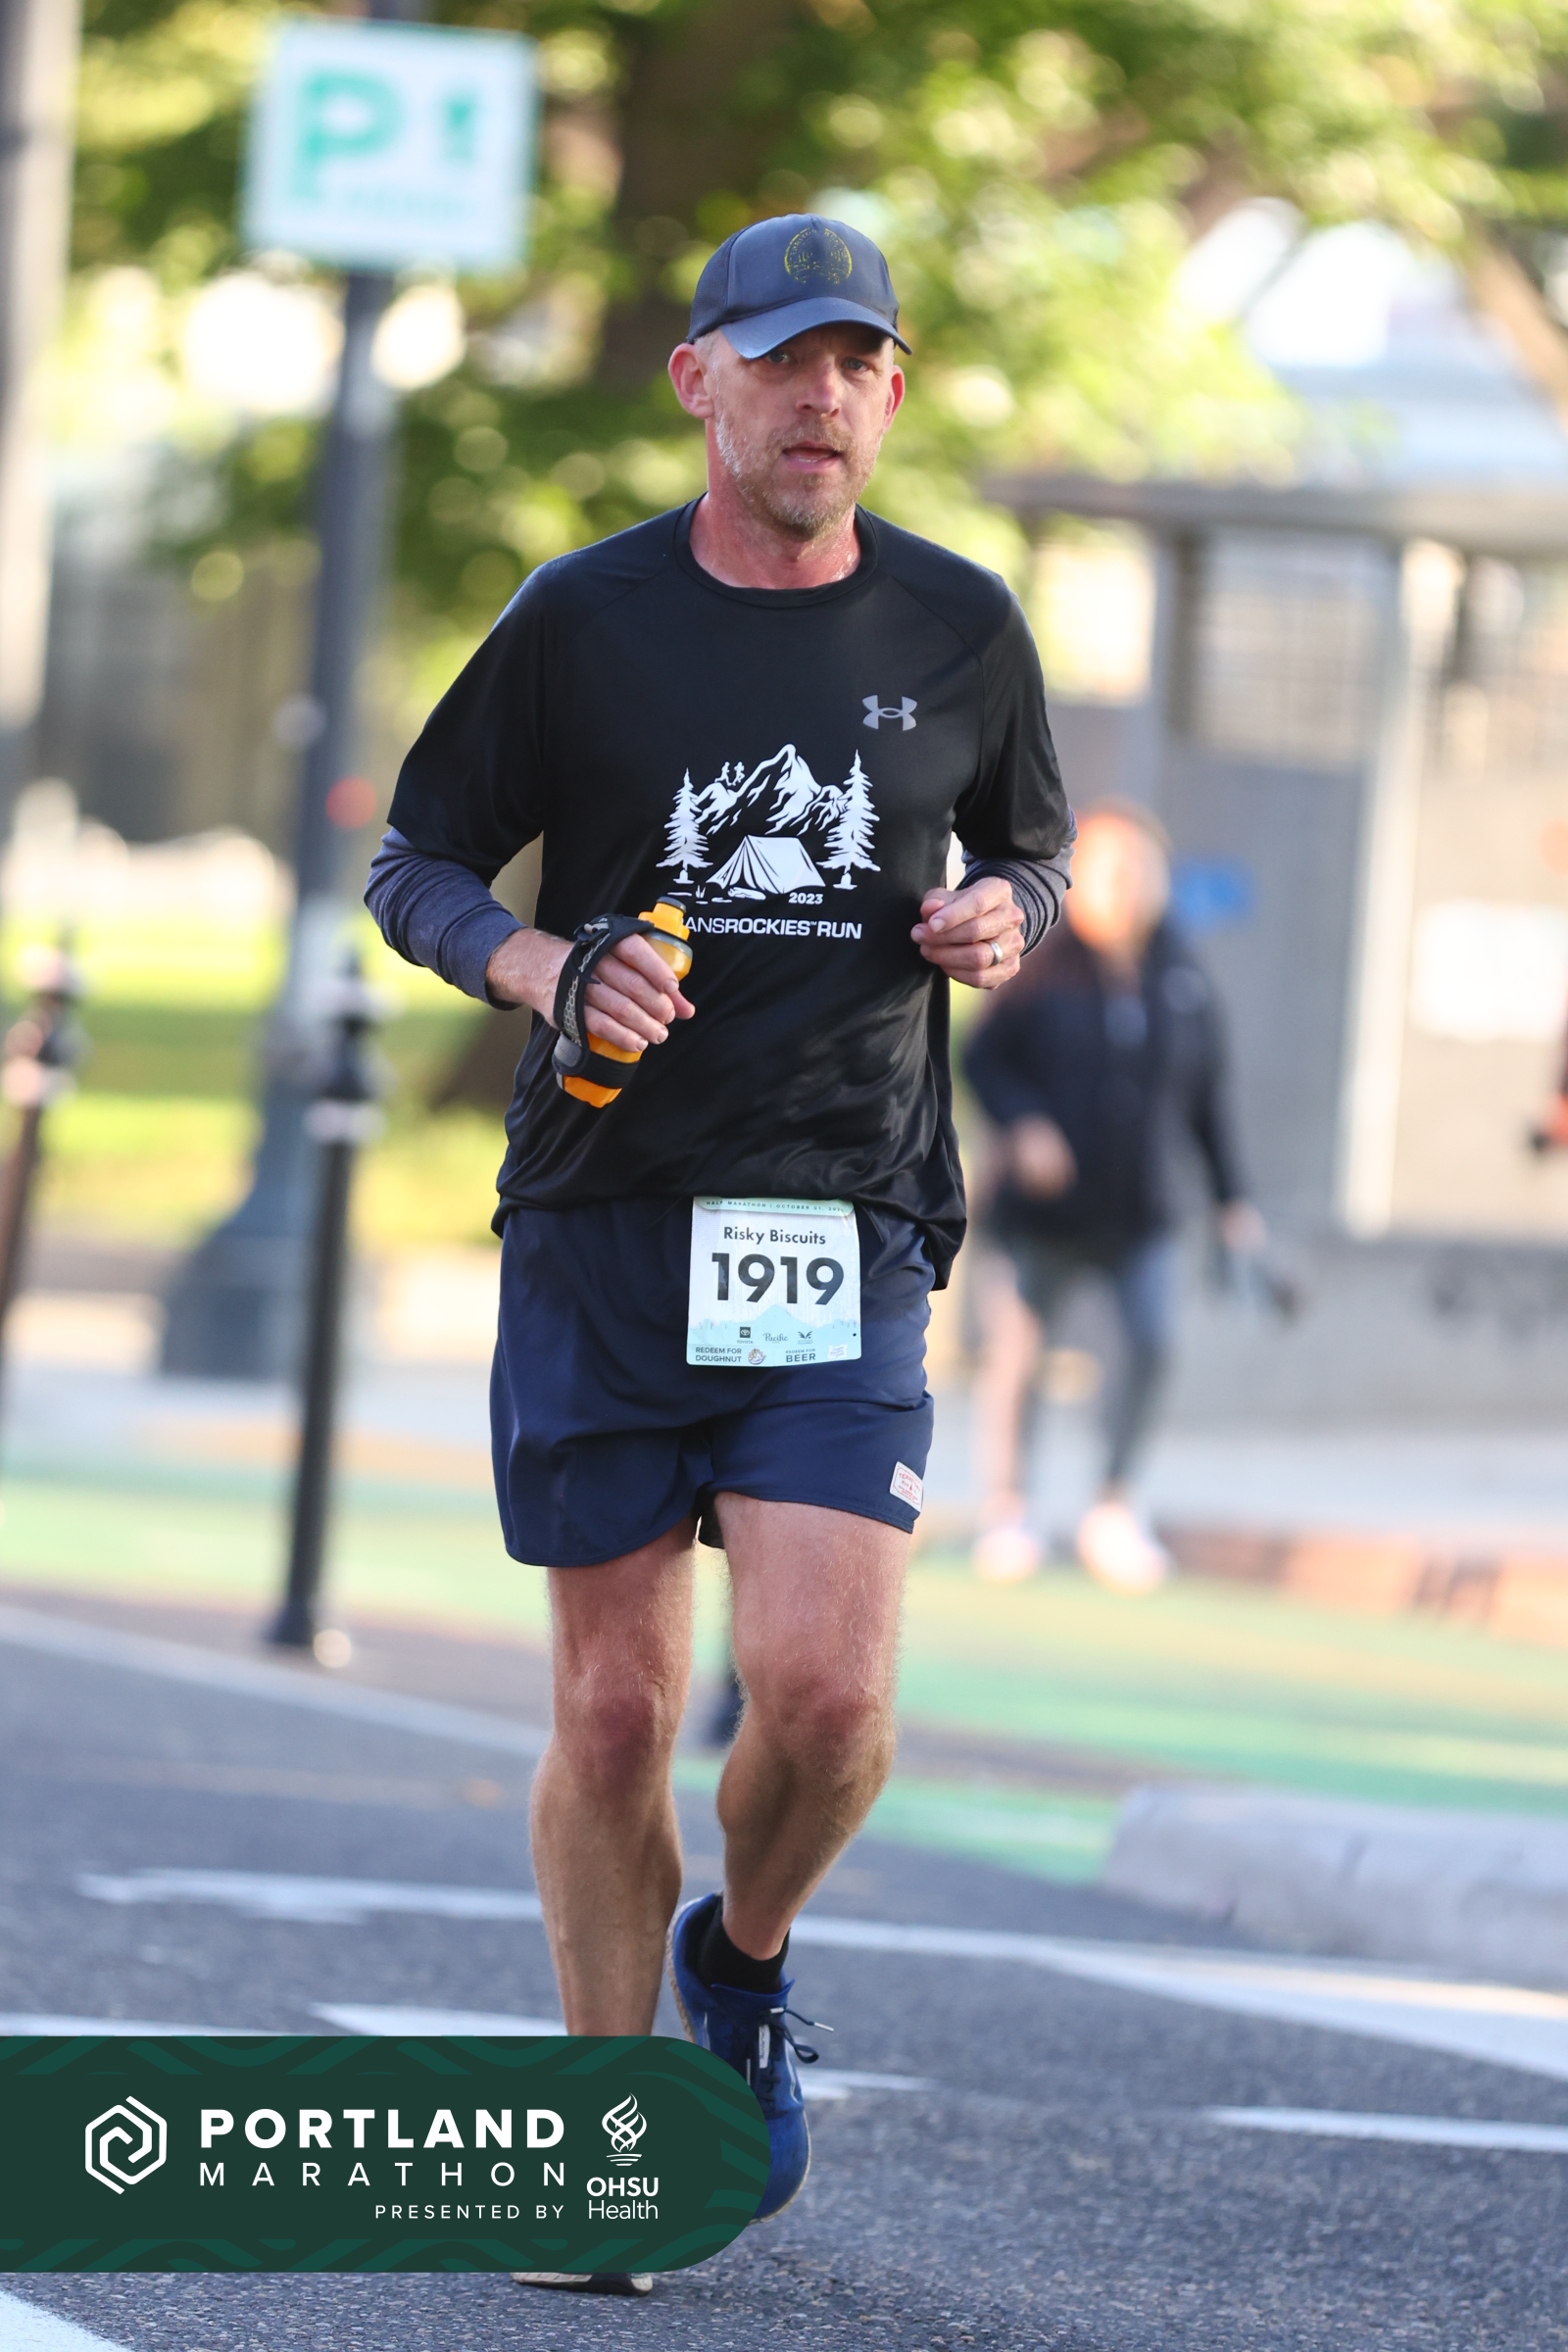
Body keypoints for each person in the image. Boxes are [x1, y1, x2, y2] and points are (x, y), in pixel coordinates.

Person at [366, 211, 1074, 2285]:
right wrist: (537, 966)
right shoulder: (580, 619)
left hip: (842, 1216)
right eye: (780, 360)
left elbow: (1032, 847)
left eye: (855, 363)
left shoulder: (962, 625)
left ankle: (739, 1957)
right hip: (606, 1215)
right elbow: (415, 862)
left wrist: (1006, 915)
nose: (818, 397)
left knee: (830, 1701)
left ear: (891, 391)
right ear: (699, 383)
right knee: (611, 1714)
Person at [962, 801, 1261, 1593]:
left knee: (1153, 1344)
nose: (1126, 885)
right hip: (1040, 1218)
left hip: (1143, 1215)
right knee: (1019, 1360)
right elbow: (983, 1060)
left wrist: (1234, 1202)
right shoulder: (1037, 963)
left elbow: (1209, 1099)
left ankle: (1114, 1507)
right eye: (1109, 869)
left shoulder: (1183, 974)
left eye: (1140, 869)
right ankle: (1008, 1512)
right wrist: (1025, 1123)